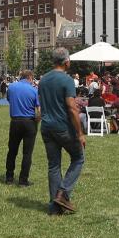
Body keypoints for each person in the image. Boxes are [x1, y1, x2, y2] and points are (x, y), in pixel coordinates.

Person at [38, 48, 84, 215]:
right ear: (66, 62)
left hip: (46, 127)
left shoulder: (43, 80)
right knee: (78, 158)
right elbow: (72, 108)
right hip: (62, 127)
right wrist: (80, 133)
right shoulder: (67, 80)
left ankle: (55, 207)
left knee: (54, 165)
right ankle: (63, 193)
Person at [5, 70, 39, 185]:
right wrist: (37, 121)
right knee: (27, 153)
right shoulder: (34, 90)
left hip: (15, 121)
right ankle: (23, 180)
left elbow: (9, 100)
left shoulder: (11, 87)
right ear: (30, 77)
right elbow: (39, 110)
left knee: (12, 151)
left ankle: (9, 177)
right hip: (29, 122)